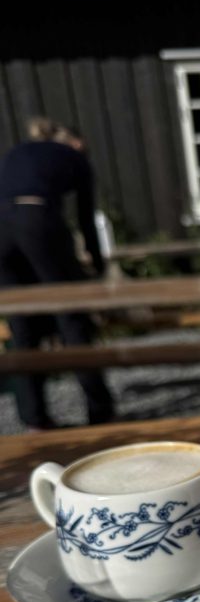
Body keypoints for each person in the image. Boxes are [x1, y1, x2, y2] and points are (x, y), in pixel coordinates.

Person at [0, 117, 115, 429]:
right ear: (75, 142)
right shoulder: (75, 157)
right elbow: (85, 219)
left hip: (1, 230)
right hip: (38, 220)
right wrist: (99, 269)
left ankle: (32, 416)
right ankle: (99, 408)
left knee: (22, 325)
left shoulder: (17, 152)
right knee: (72, 315)